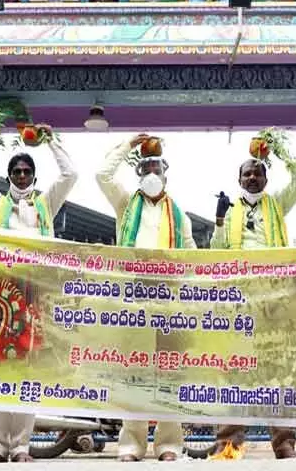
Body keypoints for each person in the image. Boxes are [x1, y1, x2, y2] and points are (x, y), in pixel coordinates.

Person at [0, 119, 77, 463]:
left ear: (34, 177)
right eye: (16, 171)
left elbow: (70, 176)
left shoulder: (45, 206)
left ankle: (21, 446)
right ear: (9, 175)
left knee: (27, 368)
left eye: (27, 171)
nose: (22, 176)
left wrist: (52, 141)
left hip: (35, 294)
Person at [96, 134, 195, 462]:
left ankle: (168, 444)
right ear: (139, 174)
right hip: (134, 298)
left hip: (169, 299)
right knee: (134, 371)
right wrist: (129, 145)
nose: (151, 173)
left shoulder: (182, 217)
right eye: (146, 168)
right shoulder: (126, 205)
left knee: (168, 373)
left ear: (166, 172)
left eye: (156, 167)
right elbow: (102, 176)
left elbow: (192, 258)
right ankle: (131, 445)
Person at [210, 152, 296, 459]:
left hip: (274, 296)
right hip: (239, 298)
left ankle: (284, 444)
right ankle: (228, 445)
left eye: (258, 173)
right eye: (247, 174)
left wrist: (277, 149)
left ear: (266, 179)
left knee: (278, 369)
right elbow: (216, 252)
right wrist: (219, 220)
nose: (252, 178)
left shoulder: (276, 203)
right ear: (239, 180)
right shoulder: (230, 208)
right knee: (235, 370)